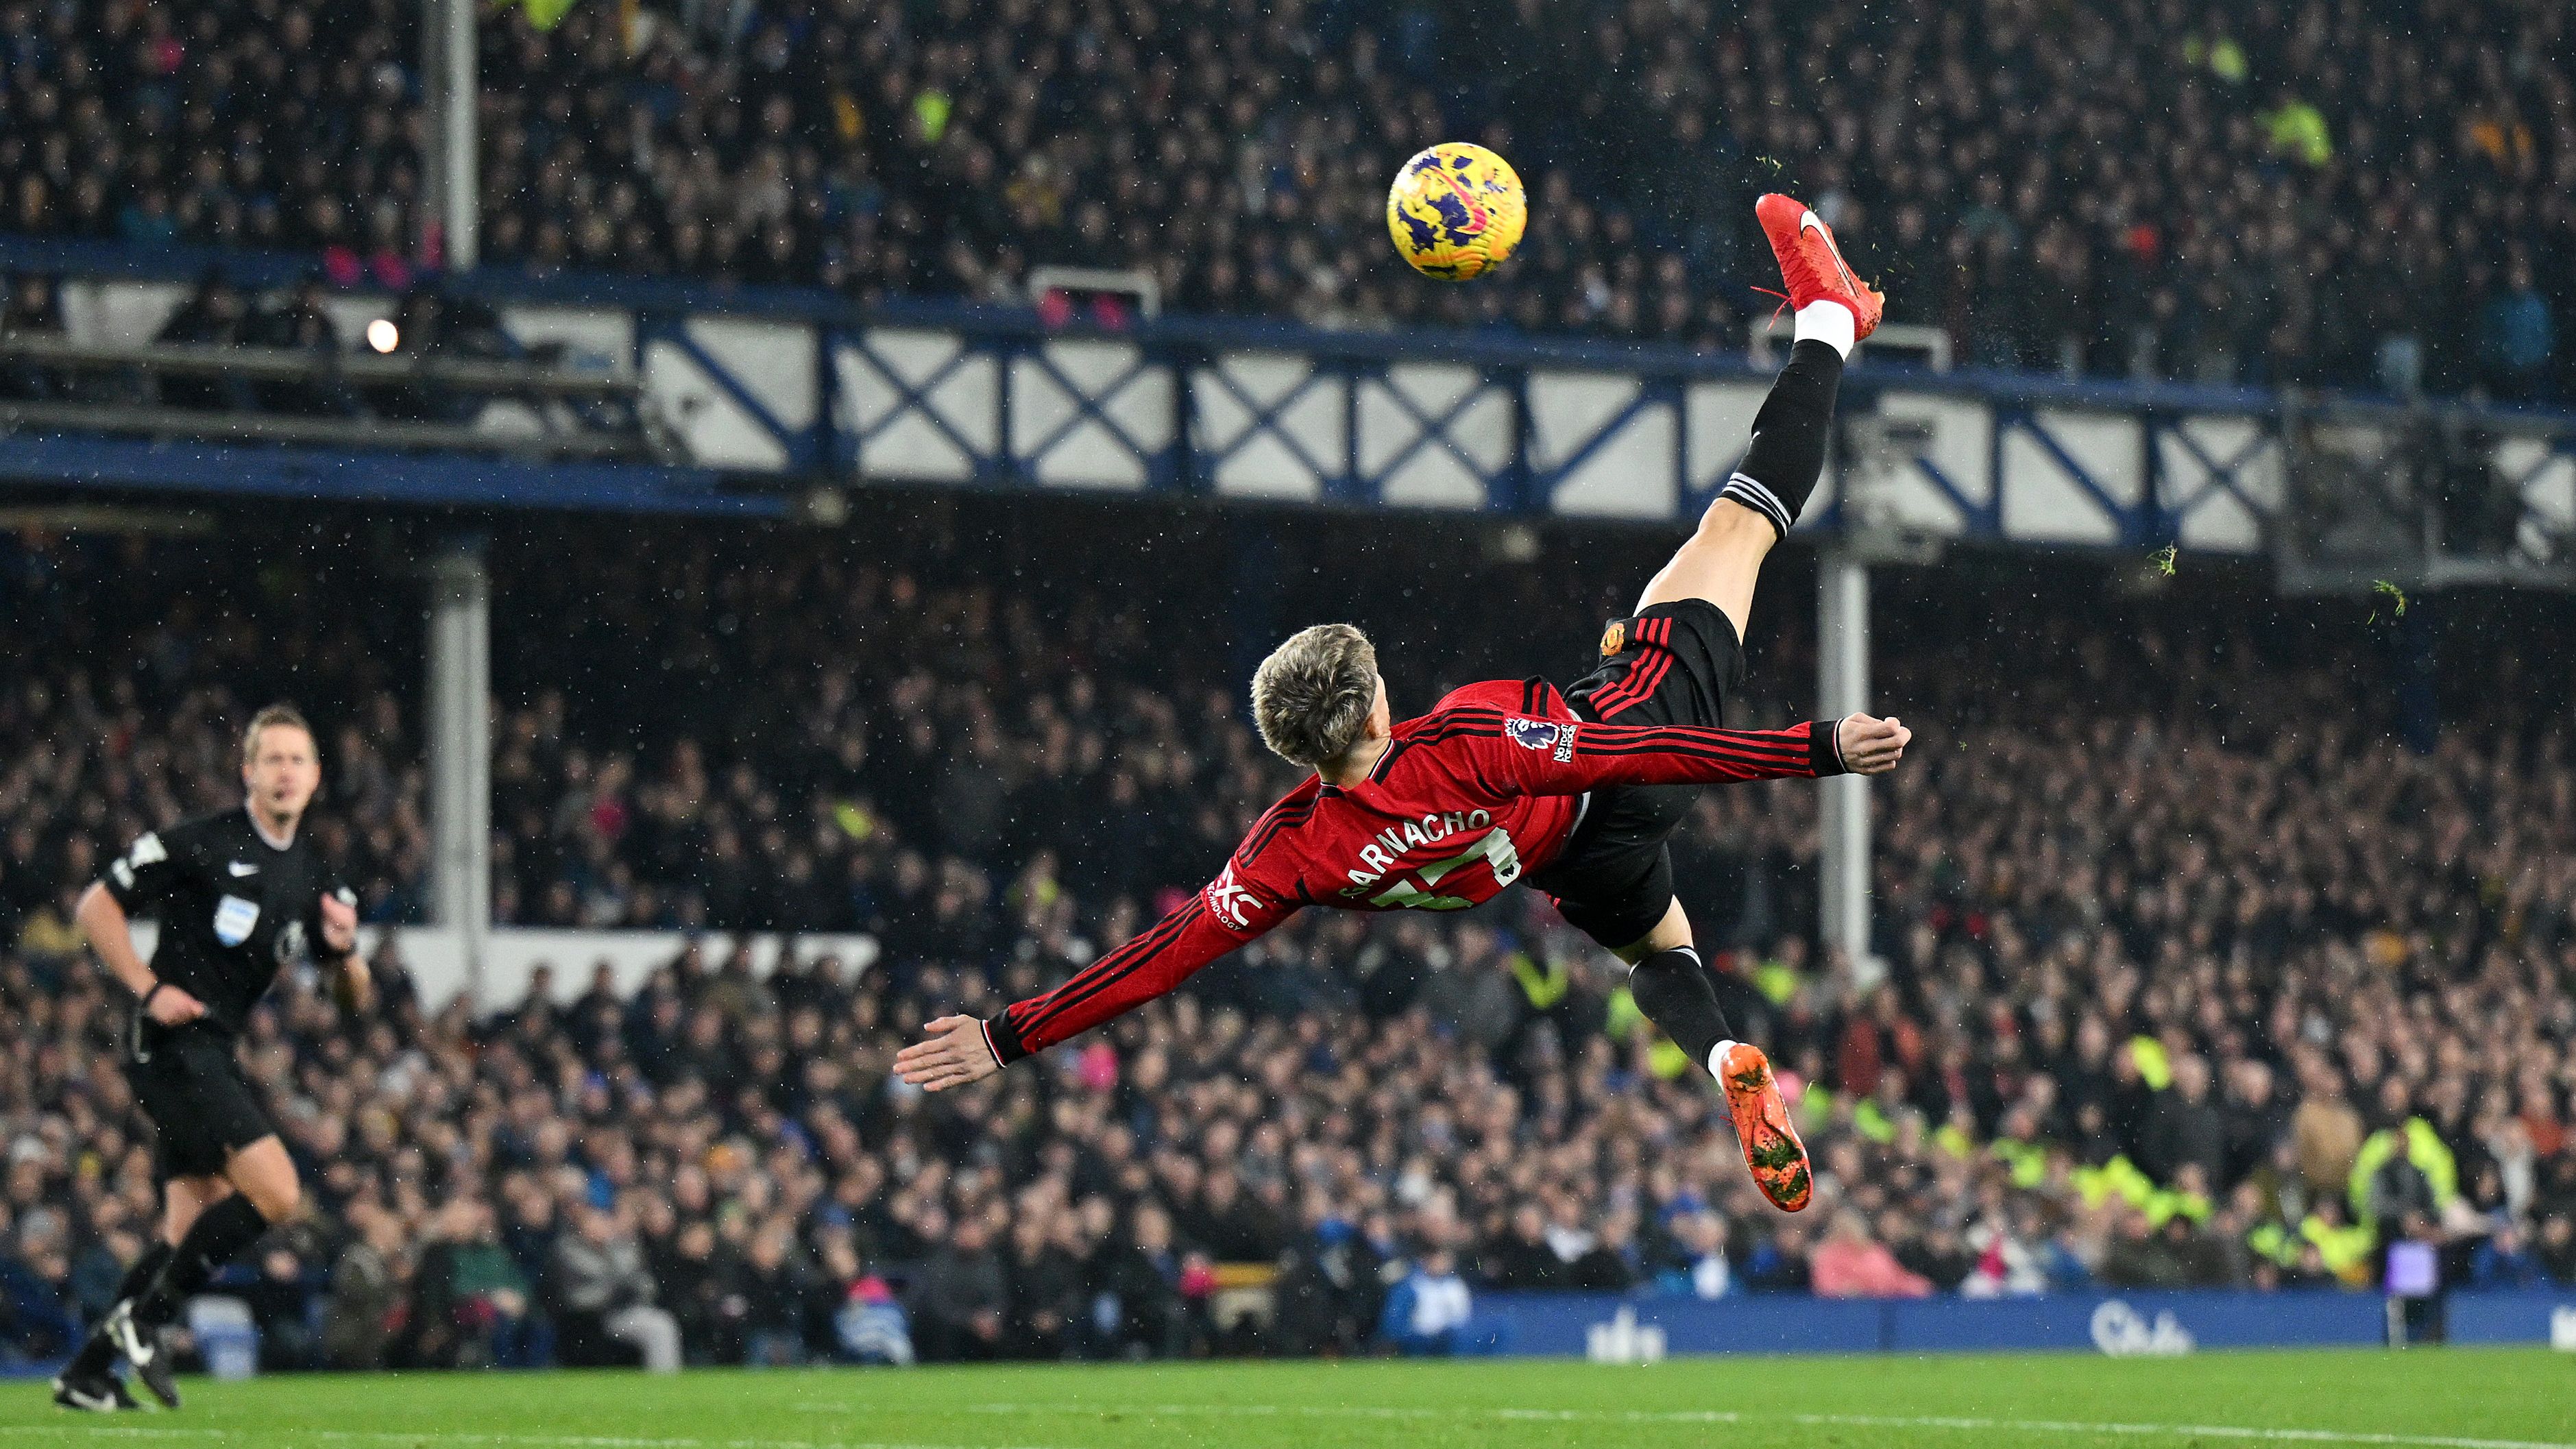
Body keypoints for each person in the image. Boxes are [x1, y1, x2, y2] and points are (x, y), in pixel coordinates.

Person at [899, 194, 1904, 1217]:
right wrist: (1818, 746)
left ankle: (1722, 1049)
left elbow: (1159, 958)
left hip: (1567, 862)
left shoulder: (1289, 849)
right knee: (1738, 525)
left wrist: (1007, 1033)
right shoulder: (1461, 737)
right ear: (1377, 708)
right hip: (1626, 756)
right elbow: (1624, 756)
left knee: (1658, 948)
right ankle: (1828, 318)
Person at [53, 705, 373, 1413]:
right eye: (273, 759)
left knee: (184, 1230)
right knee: (278, 1192)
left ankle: (88, 1372)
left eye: (298, 760)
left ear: (316, 777)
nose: (285, 772)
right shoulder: (202, 843)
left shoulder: (313, 874)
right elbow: (95, 904)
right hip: (169, 1043)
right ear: (249, 771)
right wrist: (146, 984)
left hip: (213, 1049)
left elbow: (352, 1000)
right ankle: (147, 1322)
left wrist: (348, 951)